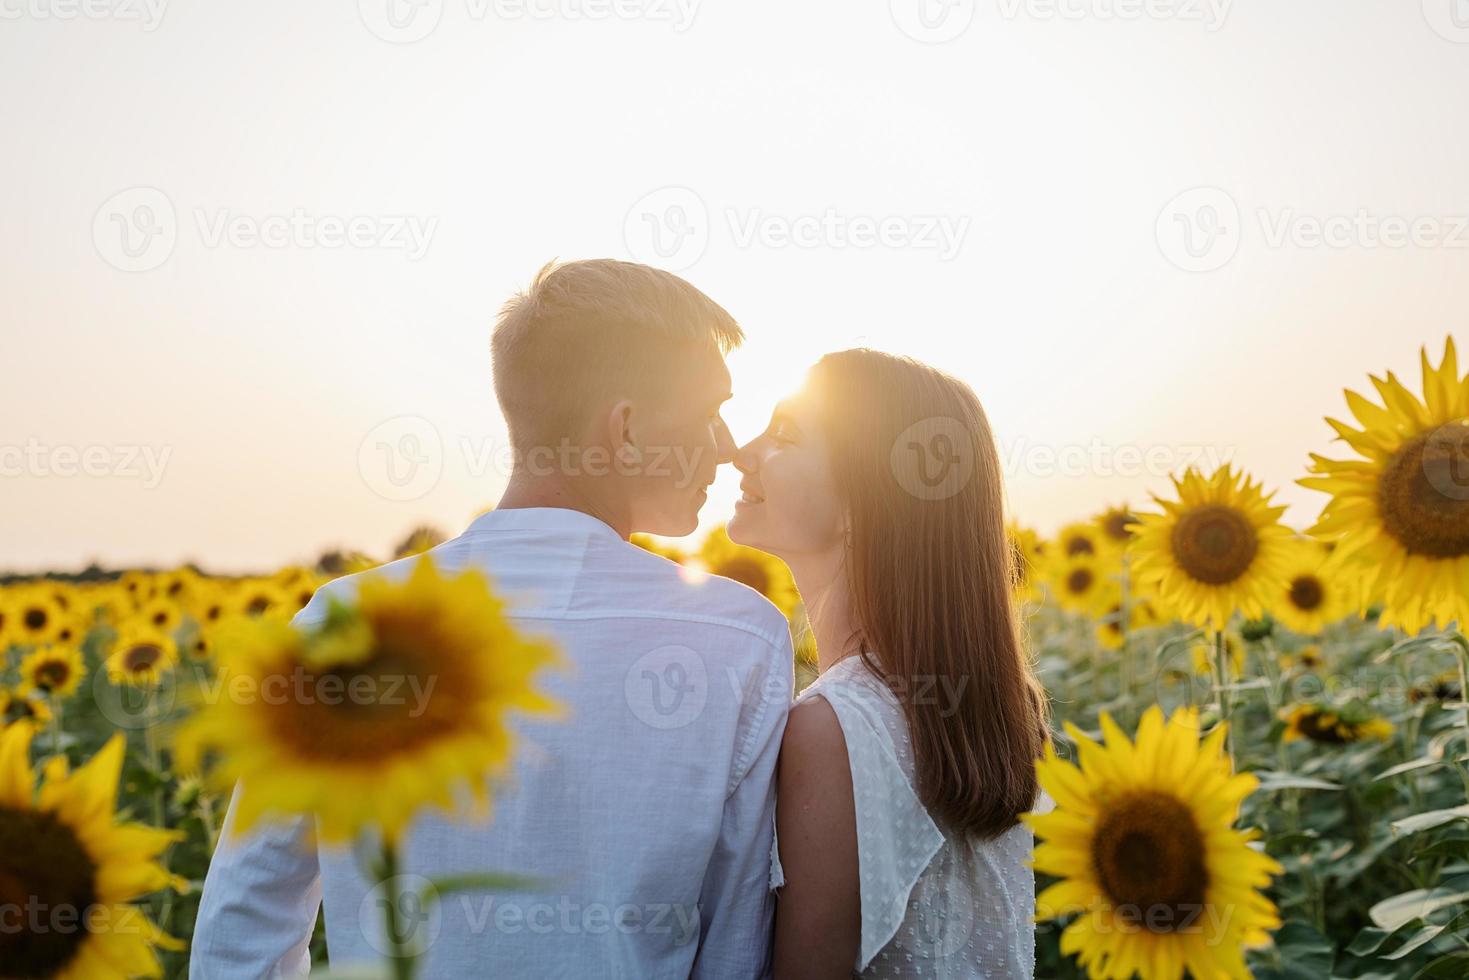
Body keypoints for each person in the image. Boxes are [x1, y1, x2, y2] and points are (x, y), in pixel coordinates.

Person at [191, 259, 794, 979]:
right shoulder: (737, 636)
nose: (726, 446)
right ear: (626, 429)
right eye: (706, 413)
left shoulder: (348, 619)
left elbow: (248, 911)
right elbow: (734, 944)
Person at [730, 349, 1050, 979]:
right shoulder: (993, 712)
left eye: (785, 435)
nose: (742, 452)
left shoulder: (836, 727)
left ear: (862, 501)